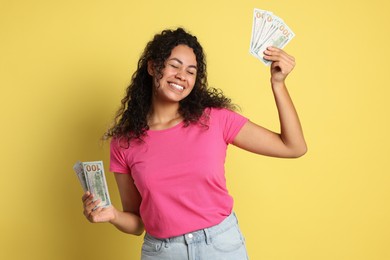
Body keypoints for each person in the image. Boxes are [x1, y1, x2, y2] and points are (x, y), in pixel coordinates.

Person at [81, 27, 307, 260]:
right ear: (152, 67)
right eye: (174, 65)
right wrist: (112, 215)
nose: (182, 75)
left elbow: (294, 147)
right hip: (162, 253)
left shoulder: (216, 119)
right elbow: (137, 222)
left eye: (191, 71)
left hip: (221, 248)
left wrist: (278, 84)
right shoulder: (124, 142)